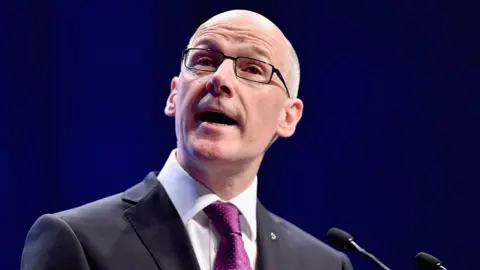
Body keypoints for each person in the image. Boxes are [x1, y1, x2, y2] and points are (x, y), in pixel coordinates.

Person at [21, 9, 353, 270]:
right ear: (174, 97)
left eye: (253, 69)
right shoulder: (77, 240)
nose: (219, 79)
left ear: (288, 115)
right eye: (205, 62)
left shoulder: (323, 264)